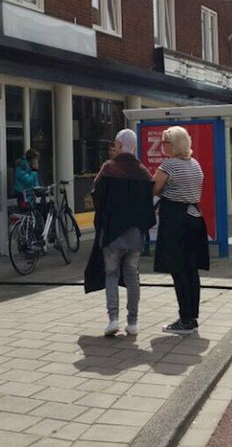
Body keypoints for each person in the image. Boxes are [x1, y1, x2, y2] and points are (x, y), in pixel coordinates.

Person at [87, 129, 156, 336]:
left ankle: (113, 319)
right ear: (133, 147)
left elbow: (96, 193)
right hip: (135, 234)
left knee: (111, 274)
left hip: (112, 233)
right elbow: (148, 203)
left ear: (118, 144)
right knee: (132, 275)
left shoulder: (108, 168)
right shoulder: (143, 171)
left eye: (115, 145)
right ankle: (133, 323)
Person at [153, 126, 208, 335]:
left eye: (164, 142)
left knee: (178, 269)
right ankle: (192, 317)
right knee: (191, 270)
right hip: (194, 217)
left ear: (174, 145)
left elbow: (154, 189)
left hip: (175, 219)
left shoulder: (169, 166)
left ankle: (184, 319)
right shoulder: (195, 164)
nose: (161, 146)